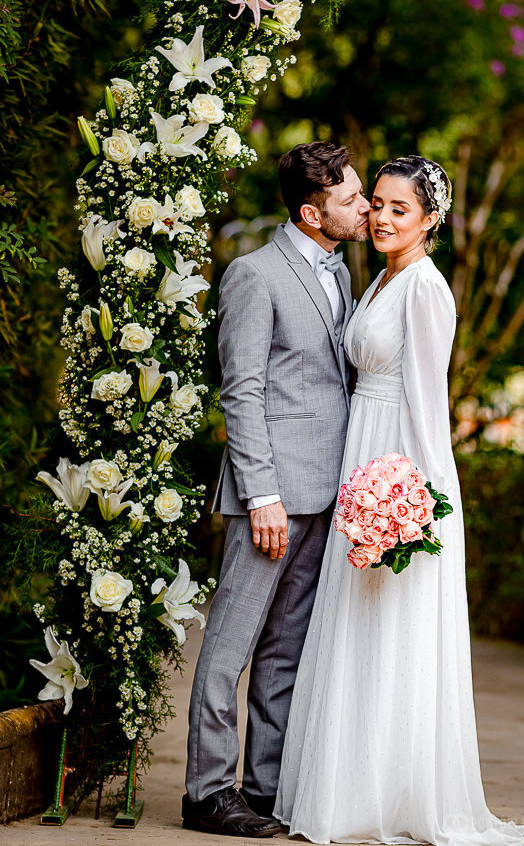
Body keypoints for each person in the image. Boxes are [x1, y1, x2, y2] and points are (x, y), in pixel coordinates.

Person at [275, 155, 524, 846]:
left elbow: (426, 405)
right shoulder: (381, 279)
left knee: (389, 631)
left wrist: (412, 509)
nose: (382, 218)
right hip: (362, 455)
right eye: (377, 204)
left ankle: (386, 795)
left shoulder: (424, 289)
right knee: (353, 629)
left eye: (399, 210)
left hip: (393, 470)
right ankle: (343, 788)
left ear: (430, 221)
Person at [183, 141, 370, 837]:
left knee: (285, 649)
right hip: (272, 497)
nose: (363, 208)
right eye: (350, 199)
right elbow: (243, 390)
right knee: (230, 646)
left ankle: (261, 789)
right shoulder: (253, 275)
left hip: (326, 492)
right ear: (310, 211)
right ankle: (205, 792)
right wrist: (261, 495)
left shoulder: (341, 271)